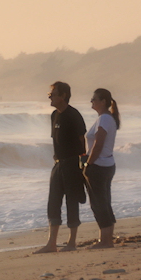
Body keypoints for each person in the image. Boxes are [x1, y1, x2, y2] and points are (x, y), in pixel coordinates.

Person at [35, 81, 87, 253]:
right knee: (53, 202)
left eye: (53, 94)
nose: (49, 96)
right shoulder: (54, 115)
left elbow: (82, 141)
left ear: (63, 96)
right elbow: (56, 140)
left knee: (72, 201)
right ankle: (52, 243)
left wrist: (82, 166)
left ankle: (72, 242)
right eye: (50, 94)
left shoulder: (73, 115)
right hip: (58, 164)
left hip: (72, 163)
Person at [83, 88, 120, 248]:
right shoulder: (106, 118)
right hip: (107, 164)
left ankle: (105, 241)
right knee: (104, 202)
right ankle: (106, 239)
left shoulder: (104, 119)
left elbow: (99, 144)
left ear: (103, 101)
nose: (91, 101)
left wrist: (88, 164)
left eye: (94, 99)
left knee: (99, 203)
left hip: (99, 165)